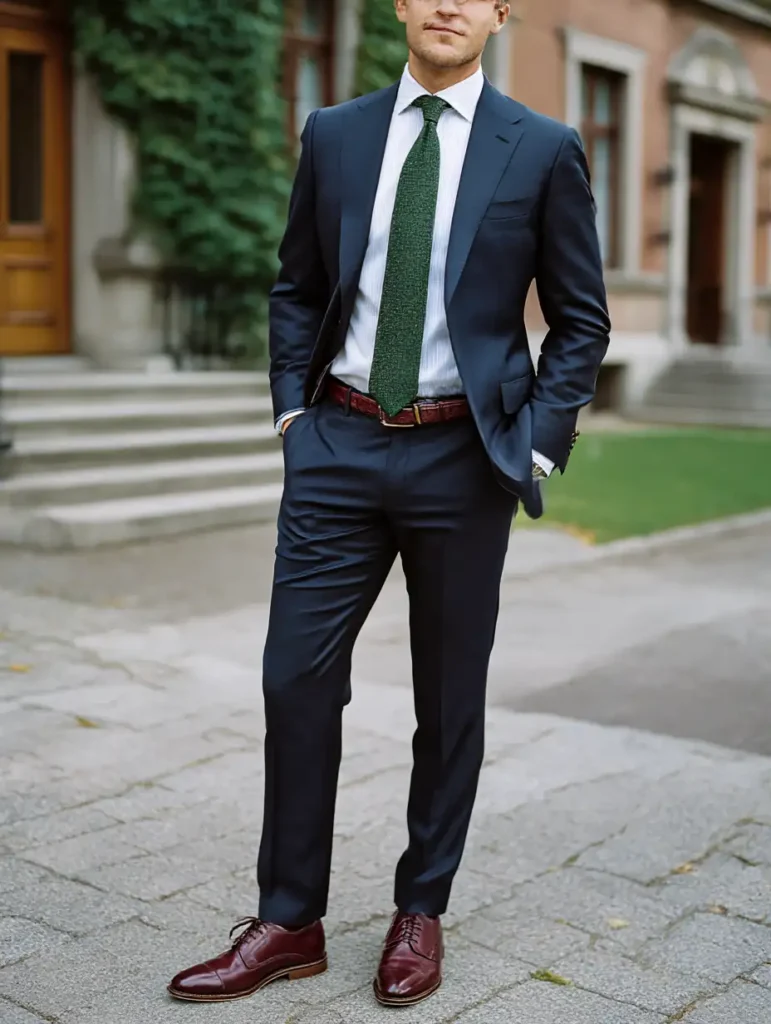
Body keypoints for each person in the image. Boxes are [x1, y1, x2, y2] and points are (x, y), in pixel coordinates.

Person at [169, 0, 609, 1008]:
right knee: (295, 679)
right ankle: (289, 919)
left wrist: (537, 442)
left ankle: (422, 907)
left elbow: (580, 320)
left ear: (502, 13)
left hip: (467, 455)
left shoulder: (542, 148)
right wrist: (292, 411)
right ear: (403, 5)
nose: (448, 4)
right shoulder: (334, 133)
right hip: (339, 443)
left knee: (448, 699)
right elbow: (296, 284)